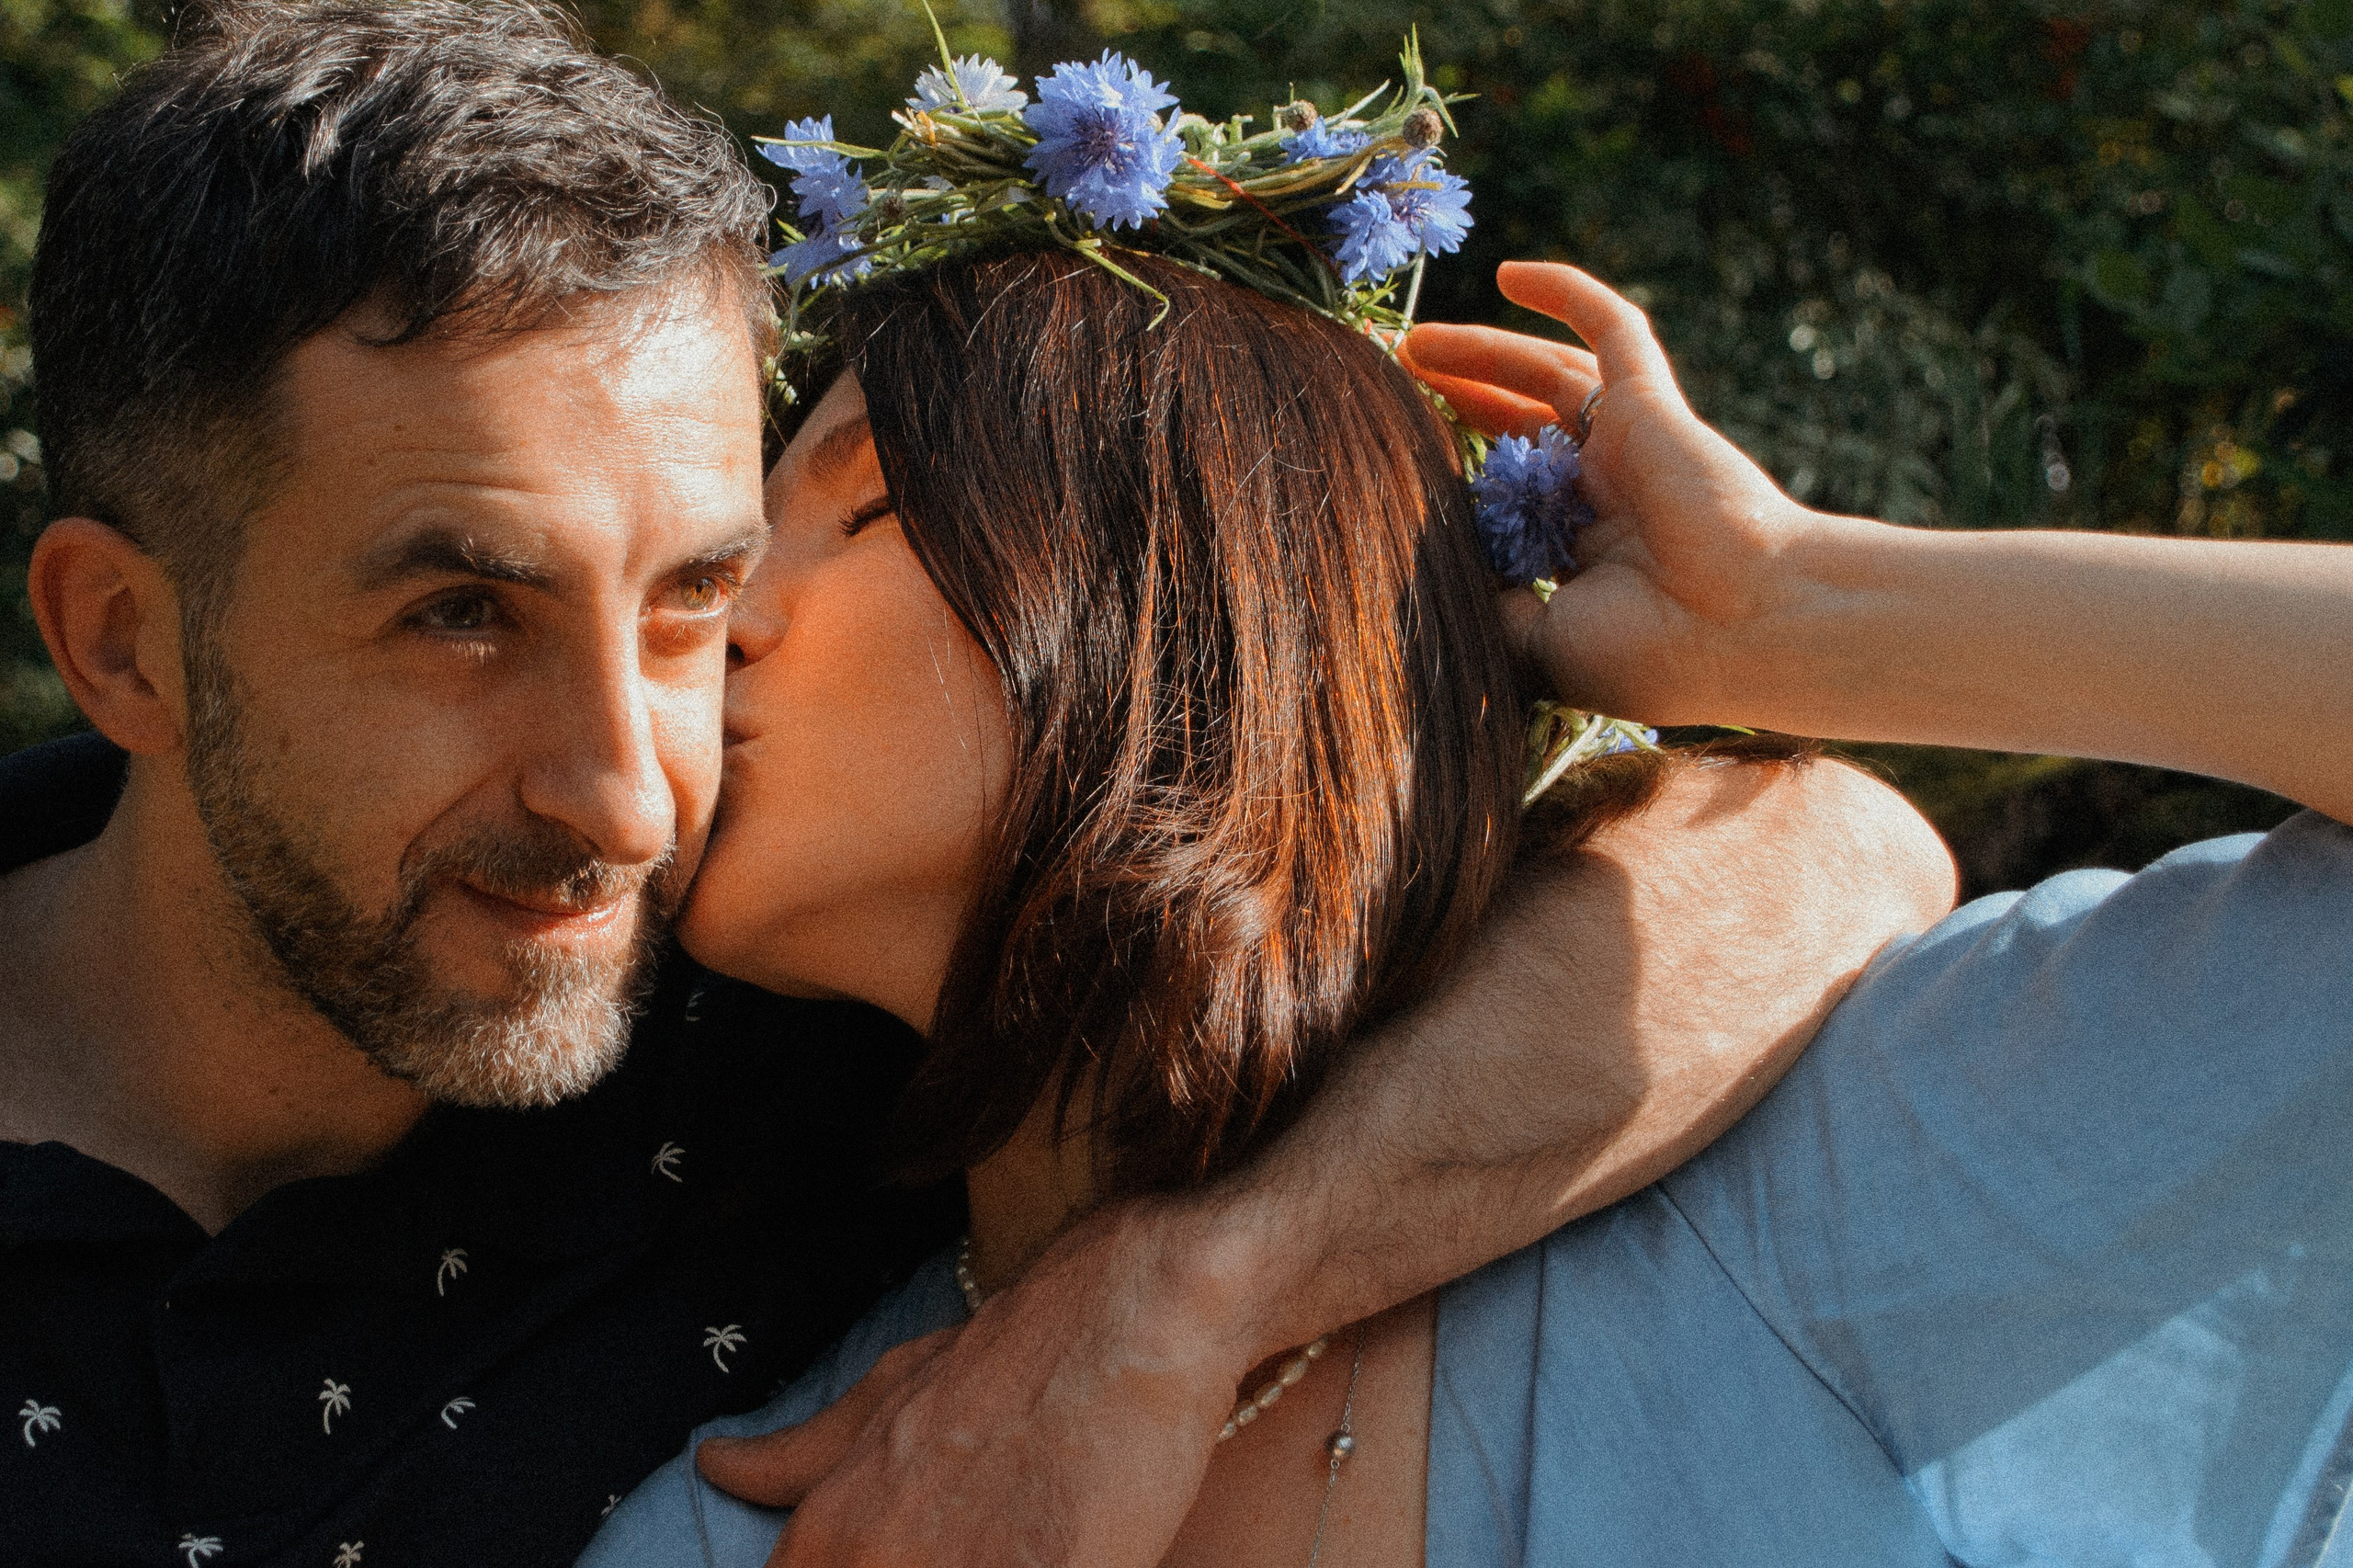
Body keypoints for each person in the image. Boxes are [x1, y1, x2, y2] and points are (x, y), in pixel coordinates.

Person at [0, 6, 1948, 1565]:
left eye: (698, 593)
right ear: (123, 646)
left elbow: (1818, 853)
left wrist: (1171, 1300)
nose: (626, 792)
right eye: (456, 617)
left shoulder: (794, 1002)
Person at [650, 257, 2353, 1568]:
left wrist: (1790, 609)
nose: (711, 623)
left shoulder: (1832, 1191)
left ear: (1199, 582)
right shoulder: (766, 1509)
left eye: (855, 502)